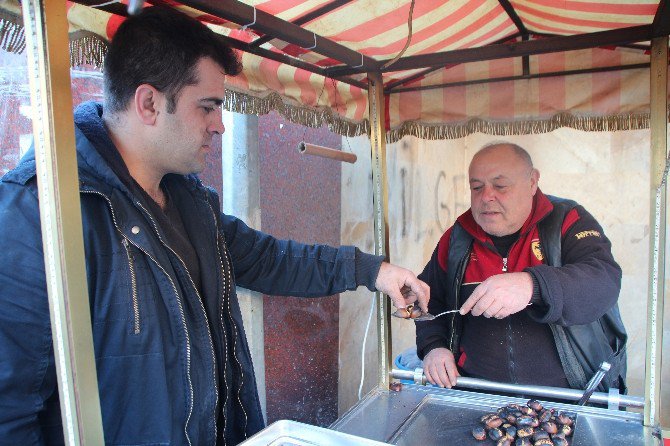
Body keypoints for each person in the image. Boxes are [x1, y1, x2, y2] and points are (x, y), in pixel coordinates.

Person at [0, 6, 429, 445]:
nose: (220, 125)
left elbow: (270, 260)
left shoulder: (190, 201)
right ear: (148, 103)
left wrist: (373, 271)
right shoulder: (41, 212)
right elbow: (11, 407)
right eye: (207, 107)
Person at [416, 142, 627, 394]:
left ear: (532, 181)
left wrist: (532, 286)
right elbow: (428, 299)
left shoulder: (568, 220)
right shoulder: (457, 239)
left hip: (568, 397)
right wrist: (434, 346)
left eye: (500, 186)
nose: (486, 197)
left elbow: (604, 280)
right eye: (476, 187)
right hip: (476, 395)